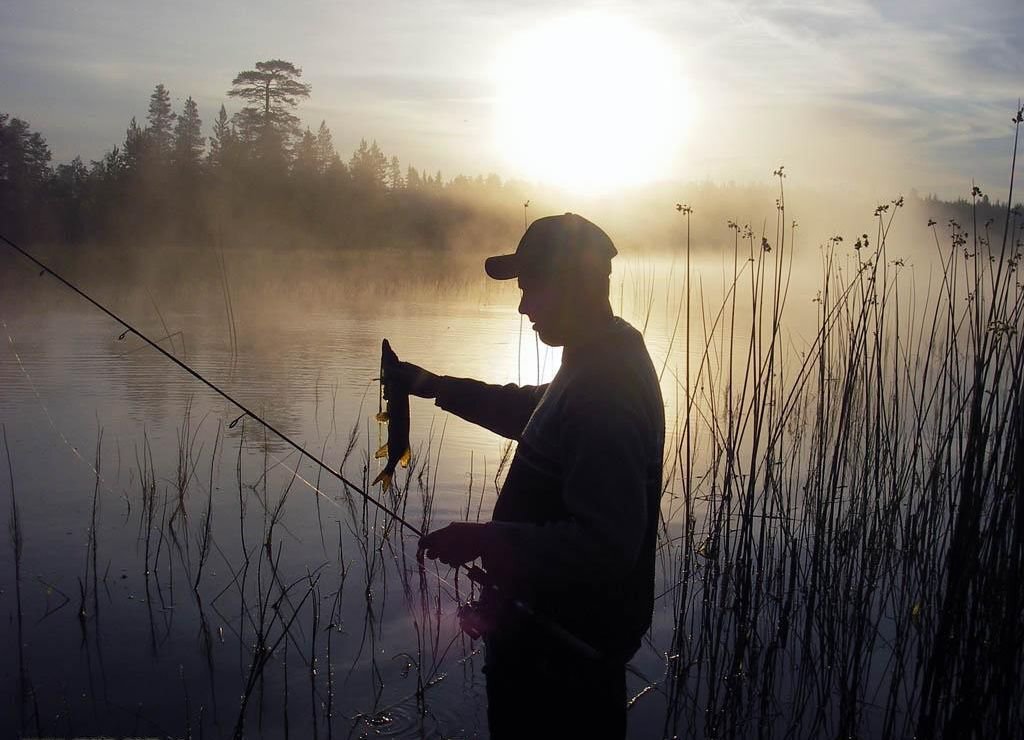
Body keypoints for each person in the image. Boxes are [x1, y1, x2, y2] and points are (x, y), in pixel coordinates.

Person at [386, 213, 665, 738]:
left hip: (564, 662)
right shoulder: (597, 358)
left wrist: (490, 540)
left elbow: (606, 546)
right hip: (549, 641)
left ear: (572, 283)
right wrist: (436, 387)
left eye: (531, 287)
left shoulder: (607, 389)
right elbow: (536, 413)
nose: (522, 306)